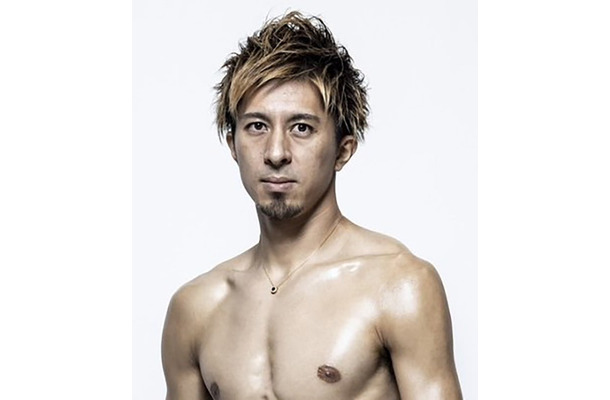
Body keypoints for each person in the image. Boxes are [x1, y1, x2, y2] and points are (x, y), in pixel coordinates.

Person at [162, 11, 462, 400]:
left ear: (343, 150)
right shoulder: (196, 308)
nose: (275, 152)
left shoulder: (398, 285)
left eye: (301, 128)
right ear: (233, 144)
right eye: (257, 126)